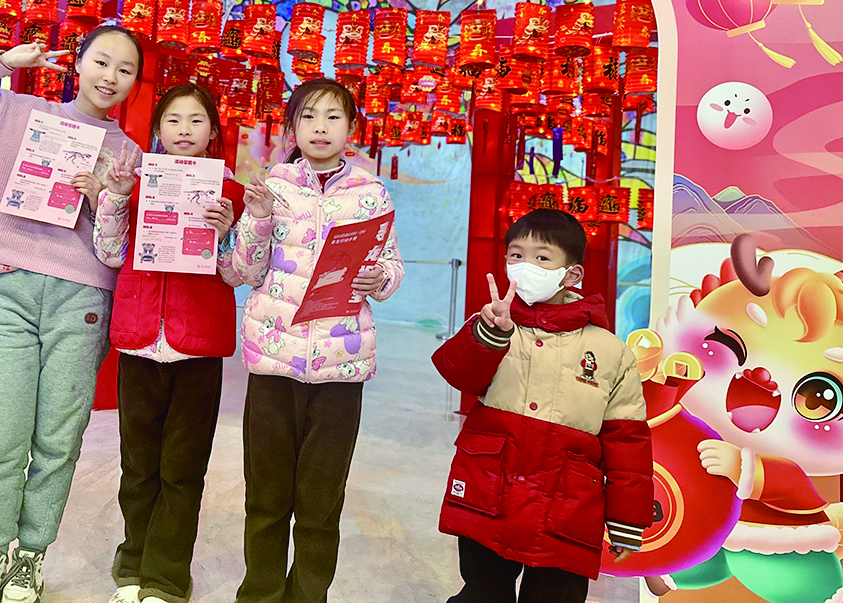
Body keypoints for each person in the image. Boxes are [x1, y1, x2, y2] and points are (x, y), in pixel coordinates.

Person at [0, 27, 143, 603]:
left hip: (84, 302)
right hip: (12, 291)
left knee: (58, 438)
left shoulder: (128, 154)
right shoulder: (19, 114)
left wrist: (105, 199)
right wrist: (5, 61)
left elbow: (120, 249)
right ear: (78, 63)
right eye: (101, 61)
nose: (110, 77)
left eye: (125, 69)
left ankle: (30, 557)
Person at [231, 78, 403, 603]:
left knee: (321, 501)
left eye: (333, 116)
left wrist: (380, 278)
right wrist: (259, 218)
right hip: (273, 362)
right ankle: (259, 594)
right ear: (291, 128)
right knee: (266, 496)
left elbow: (390, 267)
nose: (320, 127)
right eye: (308, 116)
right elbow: (243, 270)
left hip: (339, 368)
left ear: (352, 128)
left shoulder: (372, 194)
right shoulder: (273, 186)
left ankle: (309, 595)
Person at [431, 209, 653, 603]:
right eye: (516, 255)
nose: (525, 266)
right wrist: (489, 335)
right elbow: (457, 373)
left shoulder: (610, 352)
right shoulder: (494, 326)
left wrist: (626, 520)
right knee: (482, 594)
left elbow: (628, 442)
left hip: (566, 510)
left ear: (572, 274)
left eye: (542, 257)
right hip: (489, 495)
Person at [93, 84, 245, 603]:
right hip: (139, 342)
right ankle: (134, 559)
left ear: (212, 131)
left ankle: (167, 576)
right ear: (157, 129)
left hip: (197, 349)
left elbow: (237, 272)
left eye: (196, 120)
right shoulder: (137, 185)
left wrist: (227, 232)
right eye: (173, 120)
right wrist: (115, 198)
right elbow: (110, 254)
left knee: (183, 470)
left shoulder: (231, 195)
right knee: (138, 467)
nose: (184, 130)